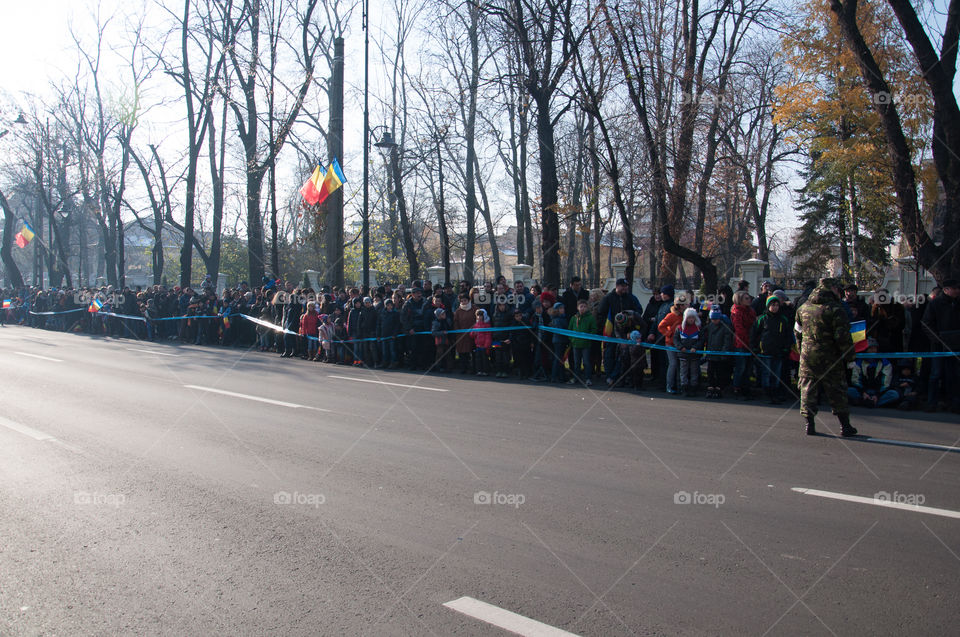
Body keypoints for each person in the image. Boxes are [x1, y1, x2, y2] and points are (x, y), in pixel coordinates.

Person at [795, 278, 859, 436]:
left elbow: (797, 332)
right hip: (830, 356)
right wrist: (850, 357)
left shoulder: (803, 308)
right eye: (838, 289)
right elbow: (843, 337)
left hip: (807, 355)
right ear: (832, 289)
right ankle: (845, 426)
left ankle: (809, 424)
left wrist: (801, 349)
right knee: (836, 389)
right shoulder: (835, 309)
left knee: (807, 388)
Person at [921, 278, 960, 412]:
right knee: (935, 374)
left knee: (954, 375)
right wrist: (937, 339)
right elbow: (926, 323)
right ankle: (932, 402)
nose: (957, 291)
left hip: (956, 345)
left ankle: (954, 402)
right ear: (946, 289)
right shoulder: (935, 304)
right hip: (939, 345)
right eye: (954, 288)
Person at [597, 278, 641, 385]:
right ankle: (609, 376)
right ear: (617, 286)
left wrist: (631, 318)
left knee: (623, 355)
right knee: (609, 354)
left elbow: (639, 311)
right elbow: (601, 313)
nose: (625, 288)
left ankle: (617, 376)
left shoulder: (631, 298)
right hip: (611, 331)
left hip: (626, 331)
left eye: (626, 286)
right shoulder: (608, 298)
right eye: (623, 286)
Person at [752, 296, 794, 404]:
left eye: (776, 305)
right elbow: (754, 334)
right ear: (768, 306)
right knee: (766, 373)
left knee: (776, 373)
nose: (775, 307)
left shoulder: (783, 319)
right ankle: (766, 393)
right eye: (772, 305)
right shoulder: (762, 319)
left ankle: (775, 392)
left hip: (779, 351)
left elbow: (787, 335)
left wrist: (786, 348)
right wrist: (755, 348)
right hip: (765, 351)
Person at [847, 338, 899, 407]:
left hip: (878, 392)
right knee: (848, 390)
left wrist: (877, 395)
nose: (873, 351)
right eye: (870, 348)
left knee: (894, 394)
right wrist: (863, 392)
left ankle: (869, 402)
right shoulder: (859, 362)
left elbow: (886, 382)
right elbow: (855, 380)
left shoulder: (885, 363)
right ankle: (867, 401)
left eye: (874, 348)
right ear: (866, 350)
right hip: (863, 391)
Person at [730, 290, 757, 399]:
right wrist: (747, 341)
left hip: (750, 341)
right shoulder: (737, 312)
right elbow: (739, 329)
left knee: (748, 367)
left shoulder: (750, 311)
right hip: (741, 343)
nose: (749, 300)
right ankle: (737, 387)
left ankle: (746, 387)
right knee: (740, 367)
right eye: (746, 298)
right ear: (739, 300)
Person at [658, 294, 687, 394]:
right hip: (670, 344)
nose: (686, 306)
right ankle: (669, 386)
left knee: (681, 365)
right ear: (679, 306)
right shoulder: (671, 316)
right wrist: (669, 334)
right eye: (683, 305)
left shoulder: (685, 316)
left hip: (681, 344)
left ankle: (680, 386)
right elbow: (661, 326)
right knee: (673, 364)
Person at [702, 305, 733, 398]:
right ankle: (710, 388)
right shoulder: (709, 326)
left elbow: (727, 341)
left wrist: (724, 352)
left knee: (720, 373)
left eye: (716, 319)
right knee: (710, 372)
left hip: (720, 355)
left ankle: (719, 389)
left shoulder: (725, 327)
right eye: (712, 319)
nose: (714, 321)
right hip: (711, 354)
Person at [567, 300, 596, 386]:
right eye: (581, 306)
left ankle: (588, 378)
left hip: (586, 344)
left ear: (587, 308)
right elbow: (570, 329)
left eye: (584, 306)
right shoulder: (574, 318)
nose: (582, 308)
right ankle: (576, 377)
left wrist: (589, 337)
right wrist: (572, 339)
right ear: (578, 307)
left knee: (586, 362)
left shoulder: (590, 318)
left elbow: (594, 329)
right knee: (576, 362)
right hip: (576, 344)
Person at [675, 307, 702, 397]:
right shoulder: (679, 328)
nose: (691, 319)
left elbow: (701, 340)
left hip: (694, 355)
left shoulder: (698, 329)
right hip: (683, 355)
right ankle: (684, 389)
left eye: (692, 317)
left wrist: (695, 347)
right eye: (689, 317)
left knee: (694, 372)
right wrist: (680, 347)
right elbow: (676, 339)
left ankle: (694, 389)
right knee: (683, 373)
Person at [472, 308, 492, 376]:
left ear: (484, 316)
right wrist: (473, 333)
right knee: (478, 359)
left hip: (484, 346)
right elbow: (472, 334)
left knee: (485, 359)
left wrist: (486, 345)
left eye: (480, 316)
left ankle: (485, 371)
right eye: (478, 316)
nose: (479, 317)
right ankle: (479, 370)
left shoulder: (487, 325)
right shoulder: (476, 325)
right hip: (478, 345)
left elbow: (488, 336)